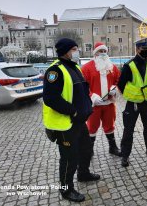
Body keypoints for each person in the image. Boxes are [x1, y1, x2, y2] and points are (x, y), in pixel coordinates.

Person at [42, 38, 100, 202]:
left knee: (86, 150)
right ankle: (66, 189)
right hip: (65, 124)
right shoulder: (55, 71)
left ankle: (83, 174)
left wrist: (88, 105)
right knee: (69, 158)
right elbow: (50, 98)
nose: (77, 51)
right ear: (66, 51)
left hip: (79, 122)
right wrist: (73, 112)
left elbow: (82, 90)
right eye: (74, 49)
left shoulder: (75, 67)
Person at [118, 38, 147, 167]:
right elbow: (120, 85)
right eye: (144, 49)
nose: (146, 52)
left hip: (146, 101)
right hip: (133, 103)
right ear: (137, 49)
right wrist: (130, 95)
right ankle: (125, 155)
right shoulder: (129, 65)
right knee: (129, 130)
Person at [81, 42, 121, 157]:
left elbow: (118, 81)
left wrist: (115, 89)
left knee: (110, 125)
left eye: (105, 51)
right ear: (95, 53)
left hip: (109, 103)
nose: (103, 54)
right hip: (94, 105)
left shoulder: (112, 67)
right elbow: (83, 86)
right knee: (92, 127)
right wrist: (91, 96)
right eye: (100, 51)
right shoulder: (86, 68)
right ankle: (89, 149)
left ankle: (113, 147)